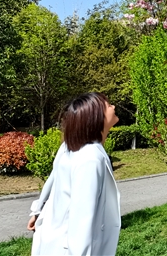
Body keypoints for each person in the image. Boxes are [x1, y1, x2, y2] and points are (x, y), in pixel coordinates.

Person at [27, 92, 121, 256]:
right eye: (108, 105)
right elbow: (81, 223)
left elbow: (53, 179)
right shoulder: (91, 159)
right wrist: (37, 210)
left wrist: (37, 210)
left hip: (55, 240)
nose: (113, 107)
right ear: (96, 117)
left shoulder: (70, 147)